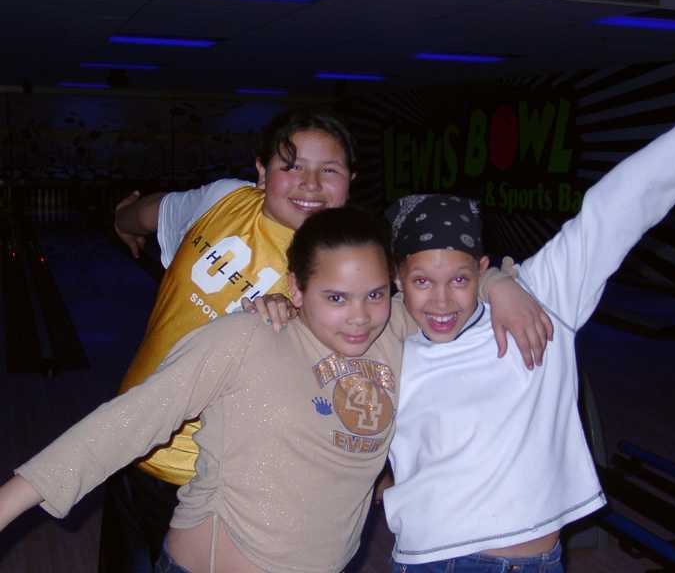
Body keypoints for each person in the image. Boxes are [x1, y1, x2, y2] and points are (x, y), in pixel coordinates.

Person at [382, 9, 675, 572]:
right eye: (422, 282)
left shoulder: (545, 294)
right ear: (398, 281)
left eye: (461, 278)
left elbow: (622, 202)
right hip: (432, 561)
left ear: (482, 267)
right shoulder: (382, 337)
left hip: (535, 561)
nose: (441, 301)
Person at [105, 107, 552, 570]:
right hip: (136, 445)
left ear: (351, 181)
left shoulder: (356, 264)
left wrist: (494, 283)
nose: (310, 184)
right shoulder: (222, 200)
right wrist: (123, 217)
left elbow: (434, 280)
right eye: (292, 166)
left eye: (329, 171)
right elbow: (151, 212)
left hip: (233, 481)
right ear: (261, 172)